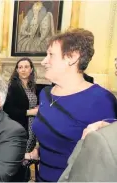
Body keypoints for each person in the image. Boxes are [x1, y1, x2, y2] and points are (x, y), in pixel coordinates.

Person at [29, 28, 117, 182]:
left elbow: (107, 156)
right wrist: (36, 151)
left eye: (50, 55)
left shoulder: (101, 100)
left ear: (72, 57)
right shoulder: (46, 93)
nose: (43, 61)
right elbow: (50, 134)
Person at [3, 57, 38, 153]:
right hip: (19, 126)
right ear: (17, 70)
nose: (23, 70)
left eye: (26, 67)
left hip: (31, 126)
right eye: (20, 67)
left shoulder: (32, 86)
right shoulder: (13, 87)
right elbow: (8, 110)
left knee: (27, 156)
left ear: (31, 70)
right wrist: (29, 112)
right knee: (19, 155)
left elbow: (30, 102)